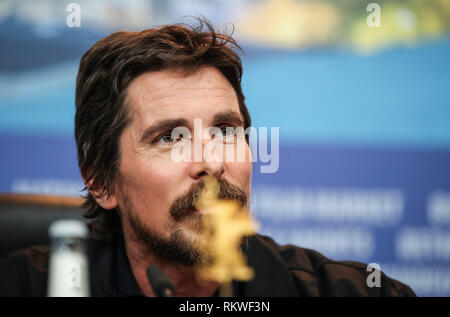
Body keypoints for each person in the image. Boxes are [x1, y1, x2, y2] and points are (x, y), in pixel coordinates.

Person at [0, 19, 415, 297]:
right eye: (170, 138)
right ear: (101, 182)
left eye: (226, 131)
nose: (211, 161)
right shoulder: (22, 285)